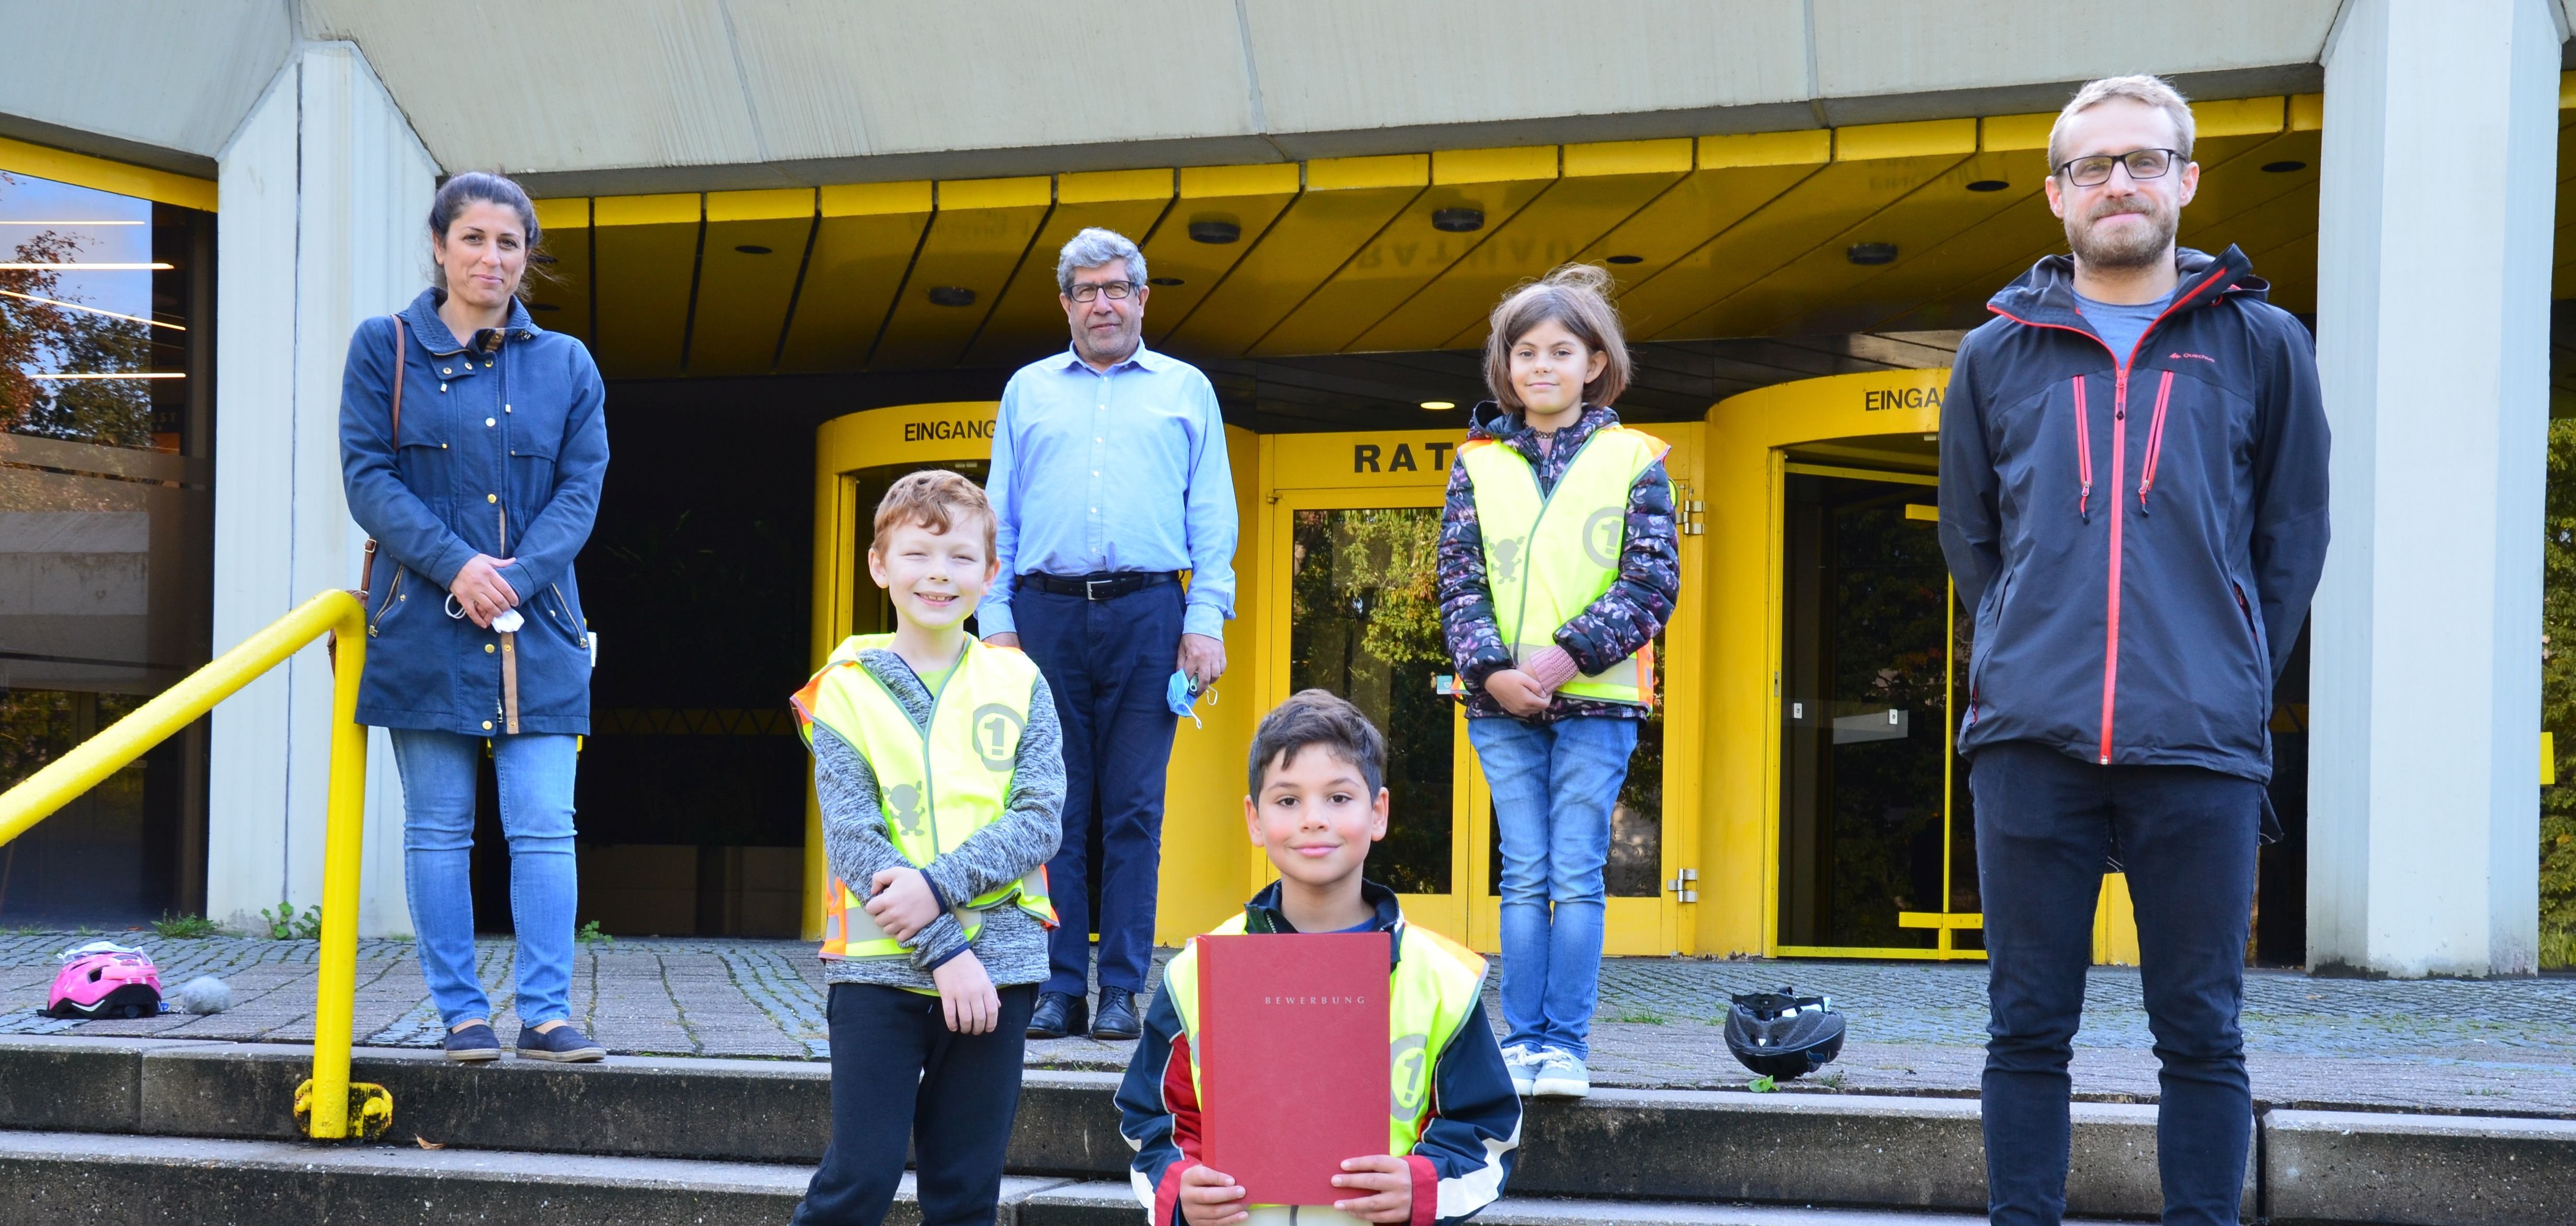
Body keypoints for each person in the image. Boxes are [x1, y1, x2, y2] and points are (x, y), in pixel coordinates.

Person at [1937, 75, 2329, 1226]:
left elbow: (2291, 538)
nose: (2120, 183)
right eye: (2094, 166)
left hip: (2200, 741)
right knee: (2024, 1031)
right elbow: (1975, 541)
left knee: (2202, 1035)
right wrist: (2021, 648)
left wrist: (2236, 675)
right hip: (2028, 739)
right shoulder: (1992, 357)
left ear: (2186, 181)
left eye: (2144, 161)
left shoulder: (2261, 344)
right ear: (2056, 194)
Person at [340, 171, 611, 1064]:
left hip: (540, 625)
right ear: (438, 243)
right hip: (421, 621)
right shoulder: (384, 349)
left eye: (509, 243)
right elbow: (368, 478)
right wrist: (459, 564)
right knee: (437, 828)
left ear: (527, 257)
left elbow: (580, 490)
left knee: (543, 825)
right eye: (474, 239)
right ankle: (460, 1016)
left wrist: (516, 577)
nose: (491, 257)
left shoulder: (567, 363)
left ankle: (545, 1015)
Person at [1117, 690, 1520, 1226]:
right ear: (1254, 820)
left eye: (1338, 798)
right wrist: (1178, 1186)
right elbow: (1154, 1121)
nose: (1312, 820)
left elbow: (1485, 1134)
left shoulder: (1443, 978)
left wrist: (1421, 1186)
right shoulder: (1196, 973)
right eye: (1287, 801)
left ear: (1377, 813)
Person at [787, 470, 1065, 1226]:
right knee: (859, 1178)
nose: (938, 574)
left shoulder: (1021, 680)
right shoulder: (842, 687)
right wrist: (944, 947)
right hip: (880, 965)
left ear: (990, 573)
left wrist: (936, 890)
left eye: (960, 557)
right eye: (916, 553)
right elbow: (852, 836)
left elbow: (1040, 819)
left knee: (966, 1193)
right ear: (880, 565)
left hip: (1000, 965)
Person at [981, 227, 1237, 1043]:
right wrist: (997, 622)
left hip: (1149, 614)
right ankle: (1059, 987)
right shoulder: (1027, 390)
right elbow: (1000, 516)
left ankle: (1122, 987)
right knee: (1053, 807)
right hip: (1043, 617)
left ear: (1143, 298)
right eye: (1086, 291)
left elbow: (1213, 516)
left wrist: (1203, 619)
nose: (1103, 303)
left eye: (1117, 288)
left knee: (1133, 807)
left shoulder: (1187, 388)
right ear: (1065, 303)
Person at [1435, 264, 1681, 1100]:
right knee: (1524, 872)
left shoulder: (1635, 461)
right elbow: (1458, 584)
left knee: (1575, 871)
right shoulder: (1474, 464)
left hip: (1597, 702)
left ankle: (1565, 1045)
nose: (1542, 366)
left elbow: (1651, 584)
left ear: (1595, 365)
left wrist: (1561, 658)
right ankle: (1521, 1042)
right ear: (1506, 368)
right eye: (1526, 352)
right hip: (1499, 705)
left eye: (1560, 351)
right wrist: (1494, 673)